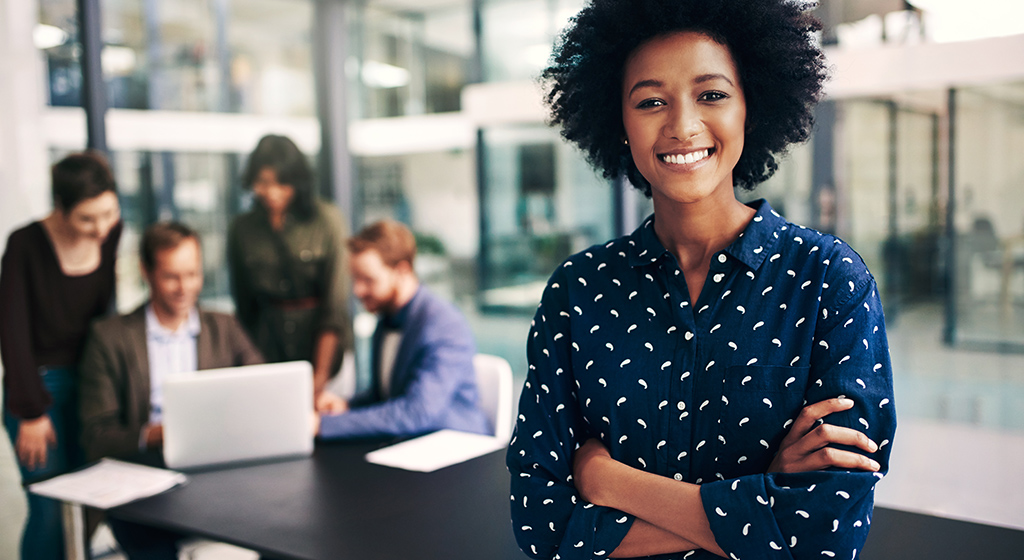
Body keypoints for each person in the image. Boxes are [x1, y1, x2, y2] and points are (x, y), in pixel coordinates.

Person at [506, 1, 897, 559]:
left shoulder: (829, 281)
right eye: (650, 101)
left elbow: (826, 532)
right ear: (618, 122)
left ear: (750, 109)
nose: (683, 125)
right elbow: (541, 526)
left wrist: (608, 483)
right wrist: (764, 504)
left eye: (711, 94)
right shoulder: (578, 292)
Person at [79, 222, 262, 560]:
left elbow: (262, 392)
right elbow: (96, 434)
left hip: (213, 479)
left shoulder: (224, 328)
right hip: (142, 484)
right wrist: (156, 434)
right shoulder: (110, 337)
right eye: (171, 277)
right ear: (145, 272)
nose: (184, 288)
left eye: (192, 274)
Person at [0, 151, 121, 560]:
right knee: (50, 510)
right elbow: (12, 335)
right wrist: (31, 413)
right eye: (87, 219)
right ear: (60, 208)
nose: (101, 227)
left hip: (90, 382)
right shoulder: (24, 245)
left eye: (107, 213)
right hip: (39, 387)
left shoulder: (112, 233)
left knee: (88, 506)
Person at [316, 220, 490, 439]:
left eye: (368, 280)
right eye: (355, 279)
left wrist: (323, 426)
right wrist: (345, 405)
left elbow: (417, 412)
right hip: (409, 445)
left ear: (402, 270)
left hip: (458, 450)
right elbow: (386, 396)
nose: (358, 290)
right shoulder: (385, 318)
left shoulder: (443, 324)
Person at [228, 134, 352, 400]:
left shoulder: (327, 220)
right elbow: (245, 308)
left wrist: (319, 378)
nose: (272, 192)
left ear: (297, 181)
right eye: (263, 183)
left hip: (325, 357)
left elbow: (335, 307)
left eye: (281, 183)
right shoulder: (242, 229)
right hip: (268, 354)